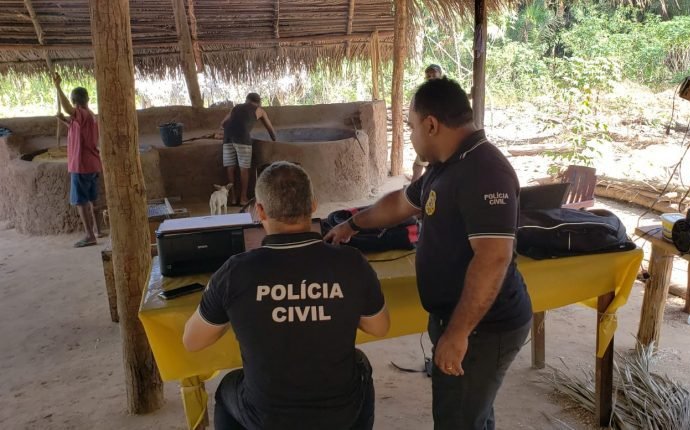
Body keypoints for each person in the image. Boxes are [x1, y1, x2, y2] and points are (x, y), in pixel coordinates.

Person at [325, 78, 532, 430]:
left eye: (411, 126)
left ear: (431, 124)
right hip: (461, 322)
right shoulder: (446, 164)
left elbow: (493, 257)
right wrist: (353, 225)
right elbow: (399, 204)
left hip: (484, 328)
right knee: (470, 413)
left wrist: (458, 333)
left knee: (458, 420)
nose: (411, 136)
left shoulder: (485, 171)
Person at [183, 161, 390, 430]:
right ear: (313, 205)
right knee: (360, 365)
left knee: (228, 387)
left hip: (267, 419)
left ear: (260, 211)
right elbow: (379, 327)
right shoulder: (352, 262)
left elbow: (192, 341)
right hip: (339, 415)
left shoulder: (235, 272)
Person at [53, 73, 104, 248]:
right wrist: (65, 122)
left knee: (80, 202)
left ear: (75, 102)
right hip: (92, 164)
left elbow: (68, 109)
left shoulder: (80, 113)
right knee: (92, 199)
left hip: (81, 166)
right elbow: (78, 129)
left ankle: (90, 236)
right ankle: (98, 229)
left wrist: (58, 86)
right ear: (87, 99)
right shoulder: (90, 116)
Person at [221, 93, 277, 207]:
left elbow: (223, 124)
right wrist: (275, 140)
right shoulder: (260, 110)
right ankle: (243, 198)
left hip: (227, 137)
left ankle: (232, 197)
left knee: (230, 167)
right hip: (242, 138)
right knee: (244, 168)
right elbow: (270, 129)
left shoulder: (236, 107)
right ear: (258, 102)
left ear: (247, 100)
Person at [411, 64, 444, 183]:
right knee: (420, 165)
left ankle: (415, 193)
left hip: (439, 134)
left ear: (440, 76)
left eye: (434, 75)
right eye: (428, 76)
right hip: (426, 134)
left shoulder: (445, 94)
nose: (431, 78)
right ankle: (414, 193)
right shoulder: (421, 94)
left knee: (424, 165)